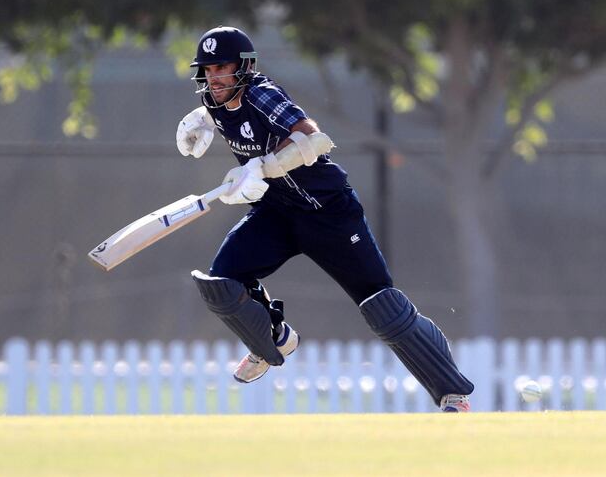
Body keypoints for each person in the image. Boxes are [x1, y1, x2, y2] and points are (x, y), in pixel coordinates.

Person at [176, 25, 474, 412]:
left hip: (328, 212)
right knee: (222, 282)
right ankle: (273, 337)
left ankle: (453, 393)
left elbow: (315, 140)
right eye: (209, 70)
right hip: (277, 212)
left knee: (381, 307)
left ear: (245, 67)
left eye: (223, 68)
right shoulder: (215, 103)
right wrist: (200, 119)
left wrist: (264, 167)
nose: (215, 78)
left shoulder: (261, 94)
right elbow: (216, 110)